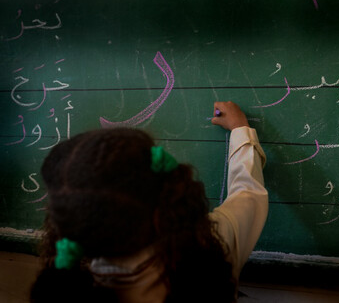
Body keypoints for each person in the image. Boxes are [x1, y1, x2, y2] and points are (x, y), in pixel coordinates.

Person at [30, 101, 268, 303]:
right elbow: (248, 194)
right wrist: (240, 129)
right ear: (158, 210)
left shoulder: (61, 289)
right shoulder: (211, 243)